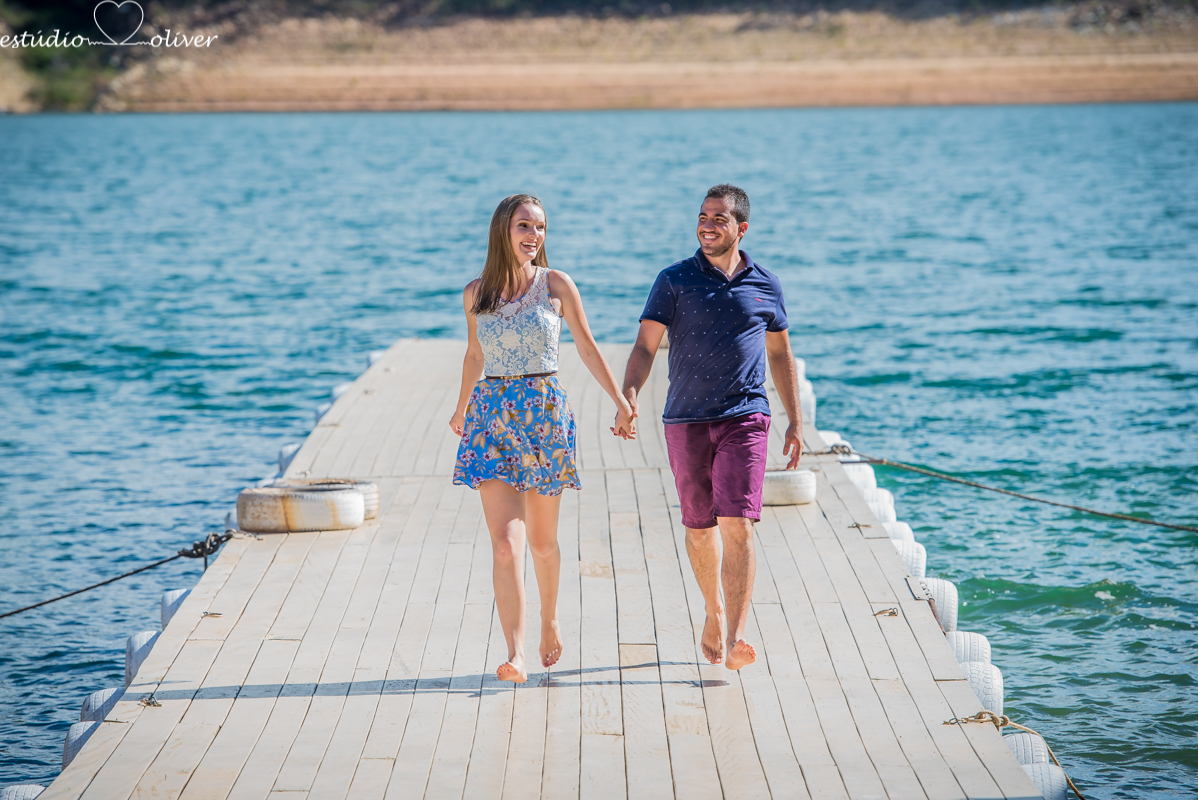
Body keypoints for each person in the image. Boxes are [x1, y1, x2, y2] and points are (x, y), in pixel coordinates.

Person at [451, 193, 636, 684]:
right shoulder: (476, 293)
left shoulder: (556, 285)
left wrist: (620, 401)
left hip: (544, 417)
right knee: (504, 544)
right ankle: (516, 654)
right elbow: (475, 354)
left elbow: (588, 346)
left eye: (541, 228)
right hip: (491, 418)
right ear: (502, 231)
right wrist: (460, 406)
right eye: (524, 226)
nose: (534, 236)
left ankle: (549, 621)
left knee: (541, 542)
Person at [619, 184, 803, 671]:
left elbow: (780, 352)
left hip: (746, 416)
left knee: (737, 522)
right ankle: (714, 611)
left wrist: (795, 422)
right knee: (700, 528)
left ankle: (740, 634)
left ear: (741, 228)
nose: (707, 224)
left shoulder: (766, 283)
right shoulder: (674, 280)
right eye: (703, 216)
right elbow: (644, 346)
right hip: (686, 418)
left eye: (719, 218)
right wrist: (630, 394)